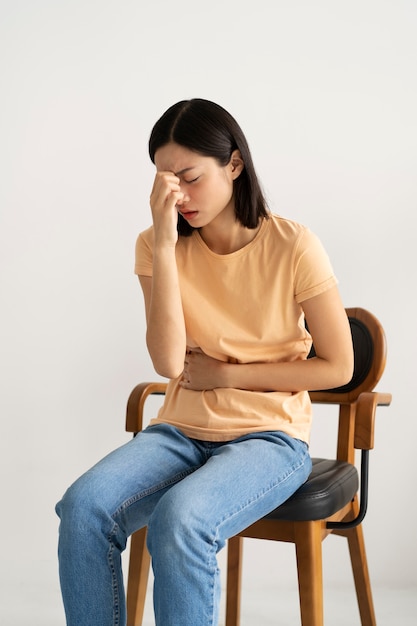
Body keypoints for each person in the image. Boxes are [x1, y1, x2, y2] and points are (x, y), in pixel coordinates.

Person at [56, 98, 354, 626]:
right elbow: (170, 361)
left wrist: (227, 375)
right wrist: (167, 243)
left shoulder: (292, 244)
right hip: (180, 431)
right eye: (166, 182)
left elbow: (338, 367)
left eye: (190, 177)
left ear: (233, 165)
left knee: (181, 518)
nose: (180, 195)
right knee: (83, 509)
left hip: (269, 438)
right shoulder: (155, 245)